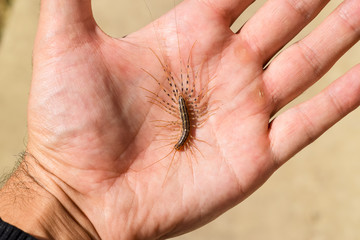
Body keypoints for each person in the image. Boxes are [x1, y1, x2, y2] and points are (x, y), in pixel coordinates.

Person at [0, 0, 359, 239]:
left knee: (182, 100)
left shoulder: (184, 124)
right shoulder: (182, 128)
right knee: (182, 100)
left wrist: (56, 185)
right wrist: (54, 185)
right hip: (185, 109)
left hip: (185, 108)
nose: (183, 140)